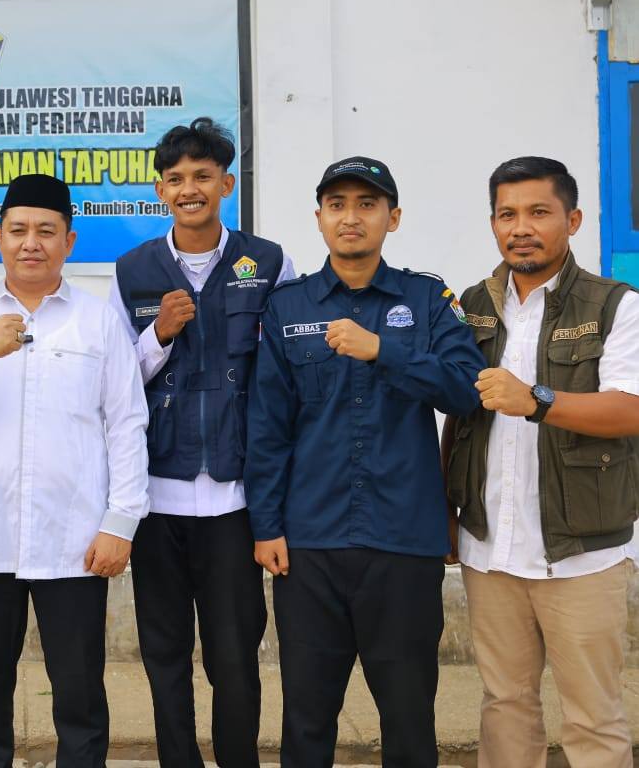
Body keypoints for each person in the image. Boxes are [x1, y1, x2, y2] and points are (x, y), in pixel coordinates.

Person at [244, 158, 484, 768]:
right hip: (309, 544)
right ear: (320, 219)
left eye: (367, 204)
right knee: (306, 717)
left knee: (407, 715)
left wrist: (385, 351)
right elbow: (268, 426)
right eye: (338, 204)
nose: (352, 216)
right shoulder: (286, 307)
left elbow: (466, 389)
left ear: (392, 218)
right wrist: (266, 525)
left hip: (403, 540)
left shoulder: (428, 299)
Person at [0, 173, 148, 768]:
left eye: (46, 231)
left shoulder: (98, 321)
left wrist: (120, 522)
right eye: (17, 230)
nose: (31, 243)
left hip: (75, 542)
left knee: (79, 692)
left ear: (69, 240)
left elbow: (126, 424)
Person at [110, 118, 294, 768]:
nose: (190, 189)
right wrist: (157, 334)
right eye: (176, 178)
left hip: (235, 501)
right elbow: (114, 386)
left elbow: (283, 377)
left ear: (226, 182)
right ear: (160, 190)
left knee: (235, 656)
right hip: (157, 502)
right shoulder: (132, 270)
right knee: (164, 656)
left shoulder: (267, 262)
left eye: (202, 177)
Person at [445, 157, 639, 768]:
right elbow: (457, 416)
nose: (520, 227)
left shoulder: (615, 305)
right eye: (507, 214)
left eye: (538, 213)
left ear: (572, 220)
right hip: (490, 548)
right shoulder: (471, 305)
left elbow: (629, 409)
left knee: (594, 718)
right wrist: (447, 514)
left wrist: (537, 401)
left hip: (581, 552)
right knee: (505, 704)